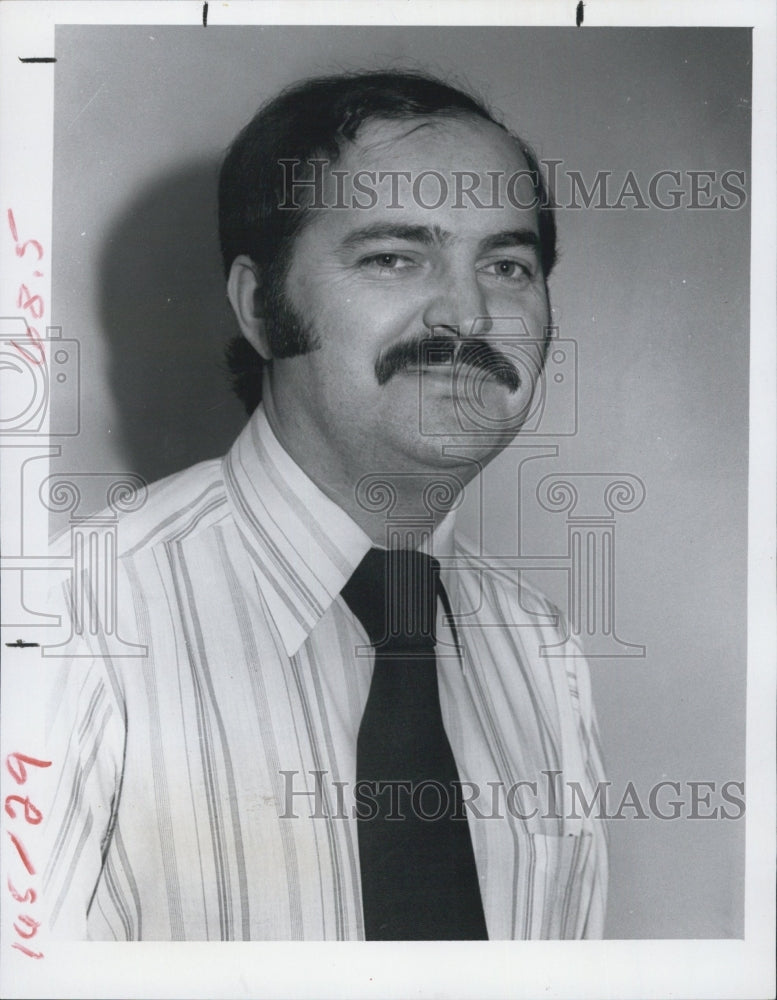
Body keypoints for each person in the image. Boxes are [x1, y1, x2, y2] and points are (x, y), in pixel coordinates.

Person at [41, 70, 608, 941]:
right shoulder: (65, 622)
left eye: (505, 263)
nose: (469, 312)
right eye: (393, 257)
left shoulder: (541, 650)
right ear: (261, 308)